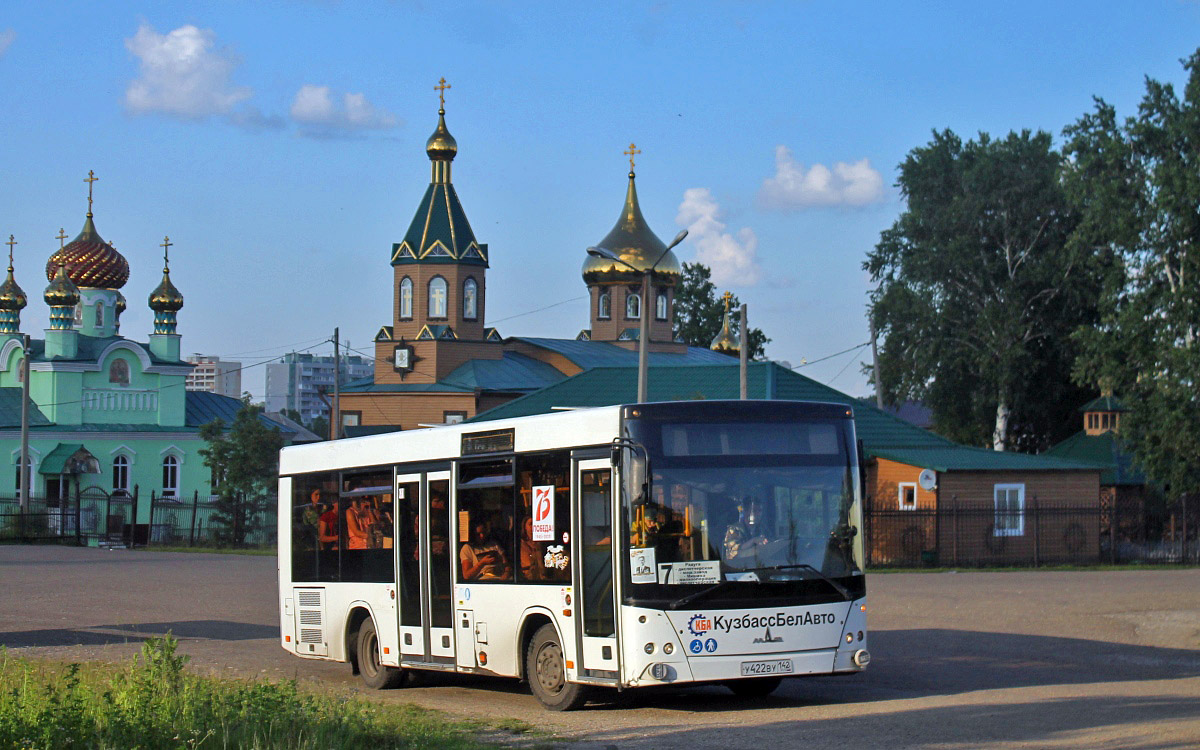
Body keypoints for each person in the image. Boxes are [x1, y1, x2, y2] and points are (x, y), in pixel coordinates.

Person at [519, 516, 544, 581]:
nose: (534, 527)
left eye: (536, 524)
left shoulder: (542, 543)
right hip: (528, 579)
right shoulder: (521, 544)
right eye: (531, 524)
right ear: (525, 527)